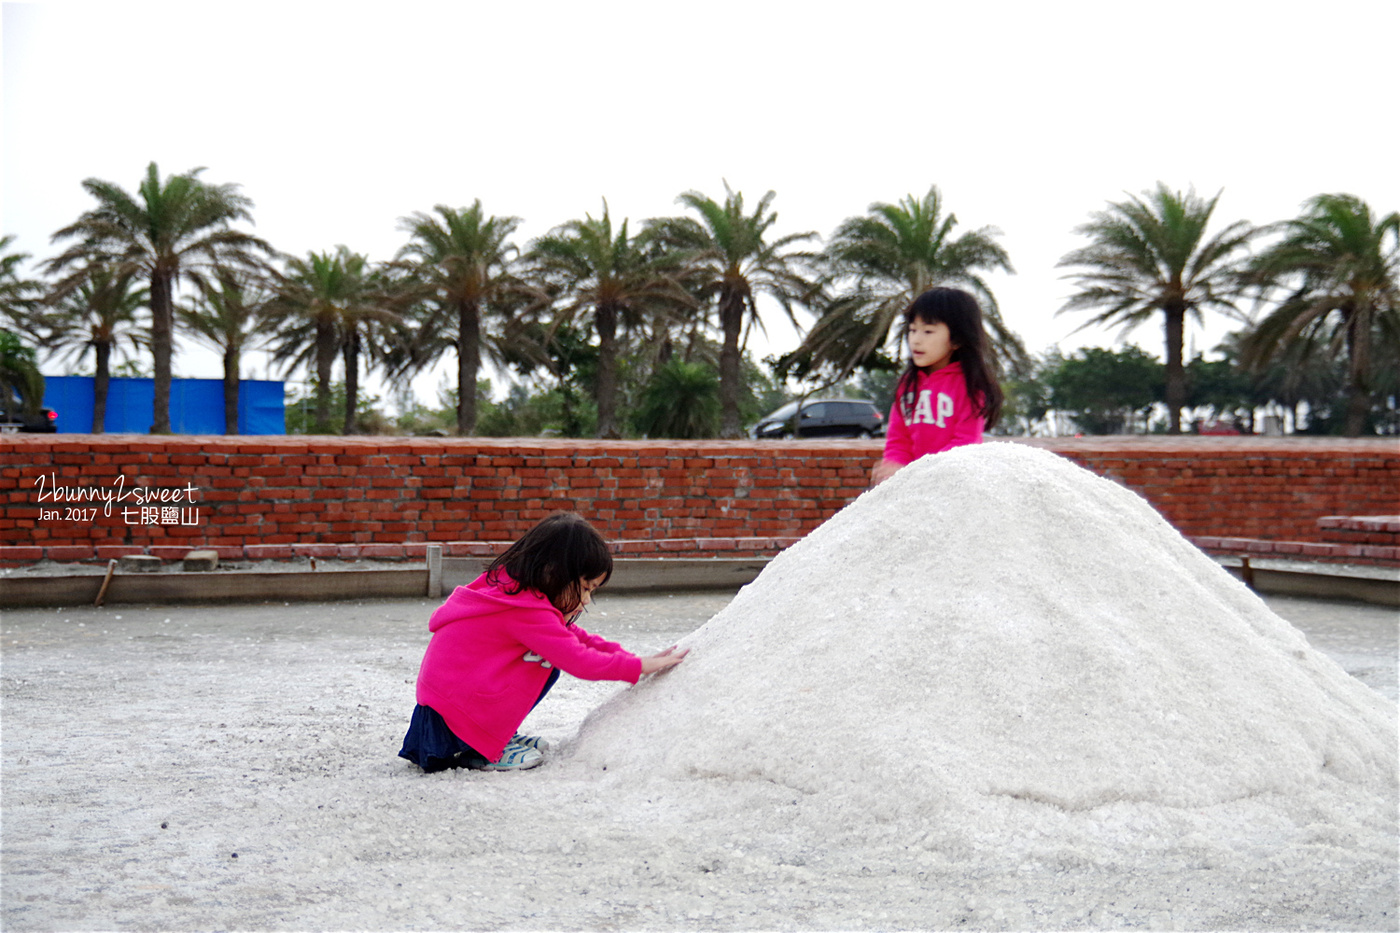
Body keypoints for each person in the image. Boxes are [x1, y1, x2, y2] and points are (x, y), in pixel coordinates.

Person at [398, 512, 688, 773]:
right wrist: (636, 667)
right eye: (585, 588)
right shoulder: (524, 610)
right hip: (452, 720)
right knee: (547, 661)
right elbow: (577, 658)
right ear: (553, 571)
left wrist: (632, 658)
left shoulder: (510, 589)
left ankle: (494, 733)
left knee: (546, 659)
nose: (586, 600)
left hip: (444, 709)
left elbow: (573, 637)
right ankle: (482, 748)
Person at [871, 287, 1004, 485]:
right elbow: (898, 438)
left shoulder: (970, 386)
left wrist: (919, 473)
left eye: (928, 331)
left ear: (957, 339)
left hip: (956, 485)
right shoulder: (908, 385)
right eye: (912, 330)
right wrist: (894, 465)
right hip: (913, 485)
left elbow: (964, 444)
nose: (915, 339)